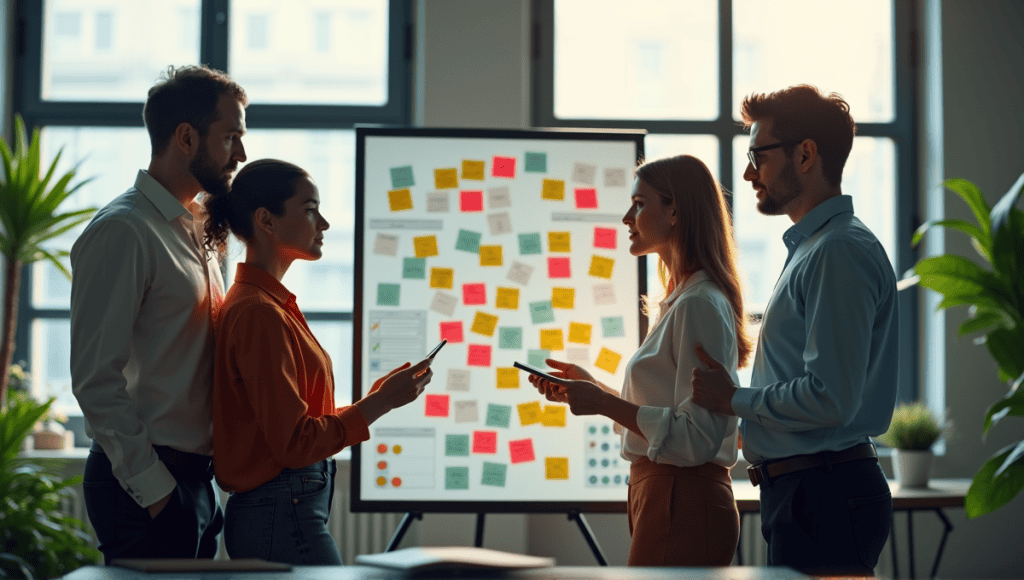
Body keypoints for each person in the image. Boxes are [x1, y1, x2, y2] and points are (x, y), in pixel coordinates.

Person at [690, 85, 899, 575]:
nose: (747, 173)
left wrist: (734, 399)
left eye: (757, 156)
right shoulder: (815, 249)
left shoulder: (837, 252)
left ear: (805, 155)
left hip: (824, 493)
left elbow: (830, 398)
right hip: (810, 492)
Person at [203, 159, 434, 565]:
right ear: (266, 221)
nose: (324, 223)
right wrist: (381, 404)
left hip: (283, 508)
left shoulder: (271, 305)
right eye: (310, 209)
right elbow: (294, 443)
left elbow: (293, 426)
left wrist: (378, 397)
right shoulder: (260, 312)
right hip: (282, 511)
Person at [529, 155, 752, 566]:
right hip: (663, 495)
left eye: (639, 203)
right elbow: (666, 414)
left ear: (674, 211)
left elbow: (694, 438)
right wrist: (597, 391)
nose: (626, 218)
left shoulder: (698, 305)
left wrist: (599, 402)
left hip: (681, 498)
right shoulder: (679, 301)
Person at [70, 65, 247, 562]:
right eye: (231, 136)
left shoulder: (198, 231)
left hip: (195, 479)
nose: (241, 154)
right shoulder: (123, 231)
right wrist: (156, 491)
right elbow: (94, 379)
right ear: (187, 138)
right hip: (147, 483)